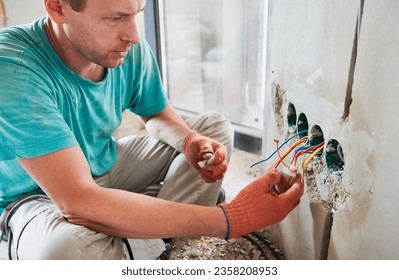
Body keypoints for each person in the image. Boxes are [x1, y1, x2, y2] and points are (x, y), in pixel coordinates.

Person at [0, 0, 304, 260]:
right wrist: (231, 218)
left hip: (101, 163)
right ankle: (148, 230)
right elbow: (77, 201)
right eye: (115, 18)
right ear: (57, 7)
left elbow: (155, 114)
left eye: (137, 11)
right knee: (71, 249)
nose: (132, 35)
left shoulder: (124, 47)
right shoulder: (12, 66)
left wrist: (190, 142)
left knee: (214, 128)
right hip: (32, 195)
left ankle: (135, 228)